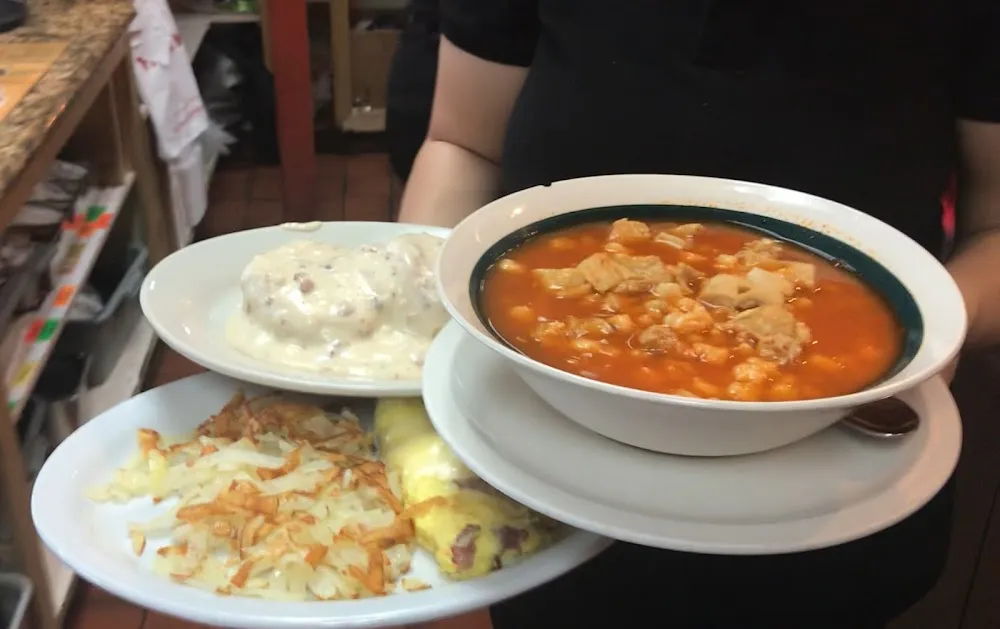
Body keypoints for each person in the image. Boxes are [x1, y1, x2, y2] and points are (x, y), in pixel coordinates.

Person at [394, 2, 1000, 628]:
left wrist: (931, 343)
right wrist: (416, 349)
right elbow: (462, 143)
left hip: (838, 482)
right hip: (529, 463)